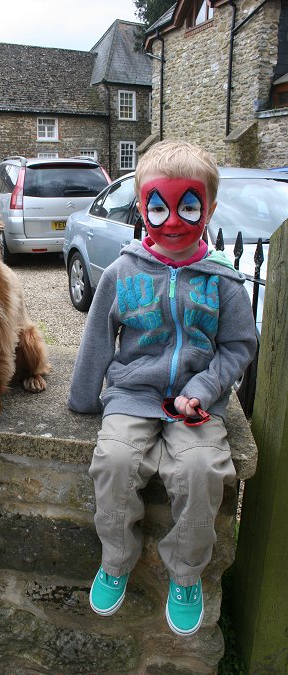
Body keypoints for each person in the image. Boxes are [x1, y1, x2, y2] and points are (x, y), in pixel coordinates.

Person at [67, 139, 257, 636]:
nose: (172, 219)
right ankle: (115, 560)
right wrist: (85, 398)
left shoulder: (223, 282)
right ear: (142, 207)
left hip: (198, 403)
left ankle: (187, 573)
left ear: (209, 208)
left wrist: (206, 385)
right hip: (132, 394)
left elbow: (239, 345)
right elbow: (97, 338)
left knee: (200, 470)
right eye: (158, 206)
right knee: (114, 462)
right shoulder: (121, 272)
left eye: (188, 205)